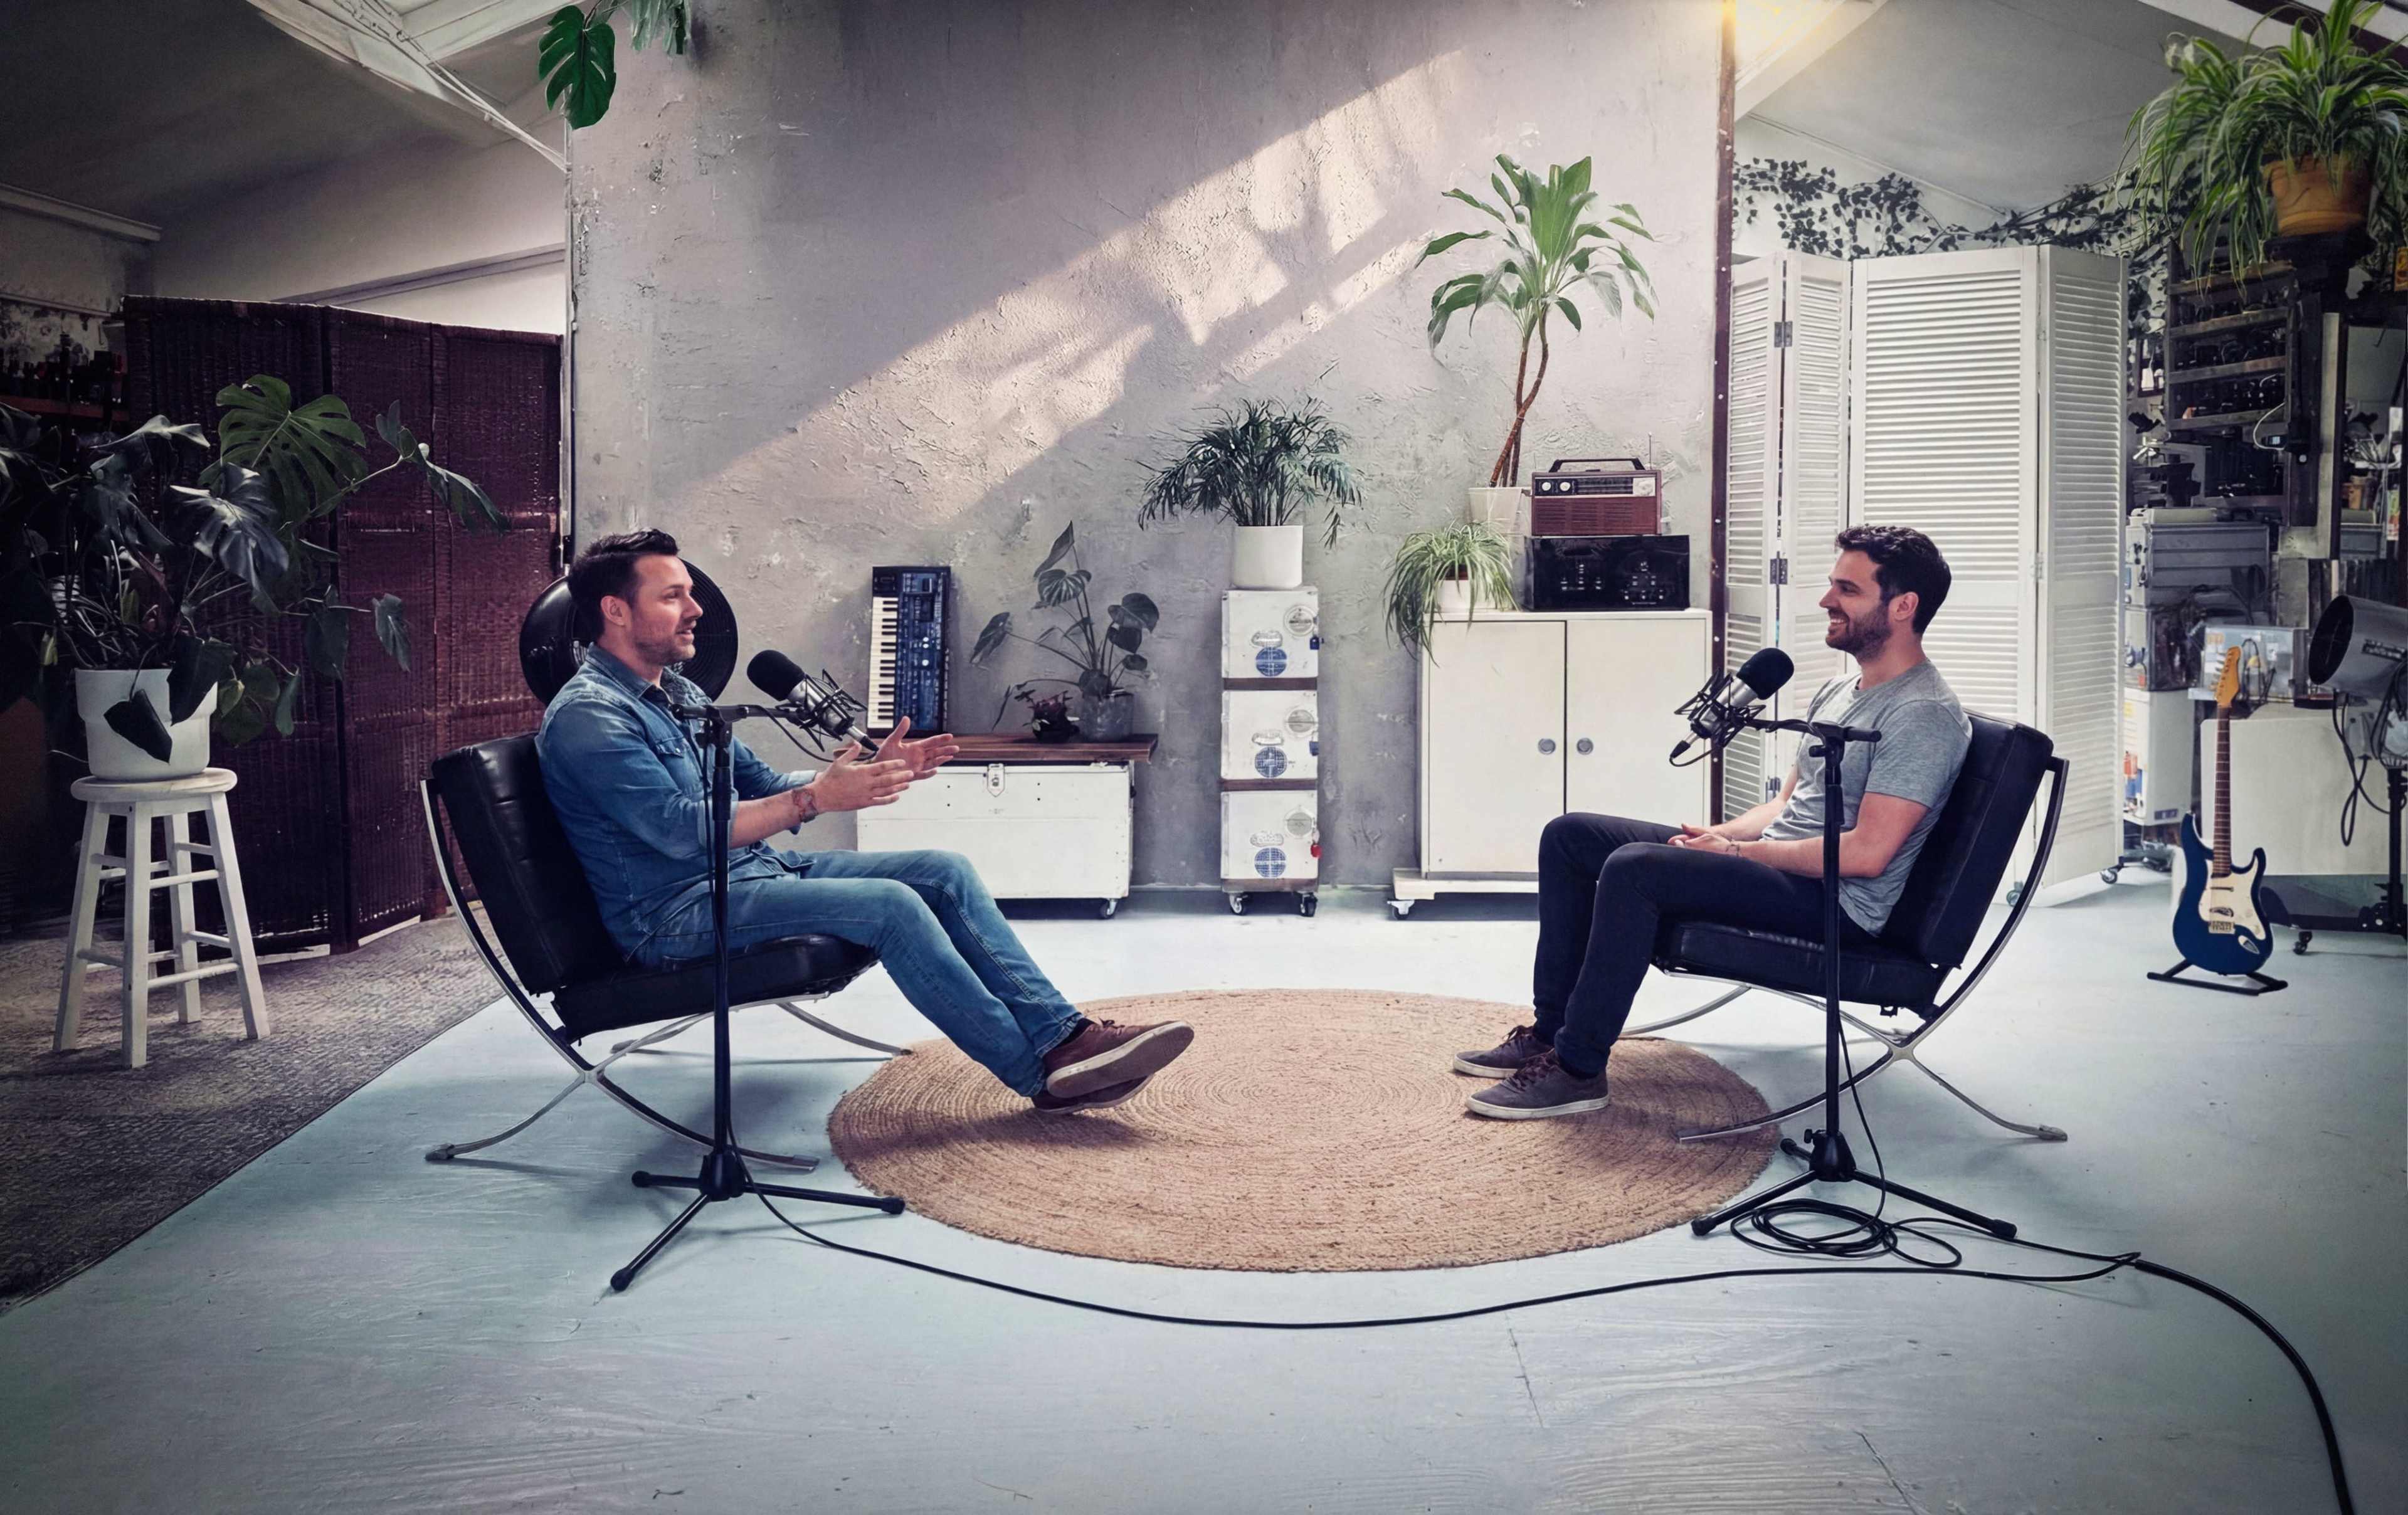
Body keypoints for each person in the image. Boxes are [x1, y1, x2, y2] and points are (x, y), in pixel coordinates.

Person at [537, 529, 1193, 1114]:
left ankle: (1065, 1037)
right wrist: (817, 800)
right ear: (615, 611)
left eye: (690, 593)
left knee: (943, 871)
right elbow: (682, 831)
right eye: (673, 596)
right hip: (675, 914)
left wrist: (868, 775)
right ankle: (1041, 1079)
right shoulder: (590, 716)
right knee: (890, 906)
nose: (697, 610)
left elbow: (761, 785)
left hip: (753, 874)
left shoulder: (677, 692)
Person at [1455, 525, 1971, 1120]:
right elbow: (1786, 806)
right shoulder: (1839, 689)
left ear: (1904, 607)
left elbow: (1866, 854)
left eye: (1847, 590)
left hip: (1839, 903)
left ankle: (1577, 1069)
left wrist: (1740, 857)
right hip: (1782, 868)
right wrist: (1721, 837)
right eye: (1833, 585)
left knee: (1635, 869)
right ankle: (1551, 1030)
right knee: (1571, 836)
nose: (1826, 600)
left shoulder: (1922, 715)